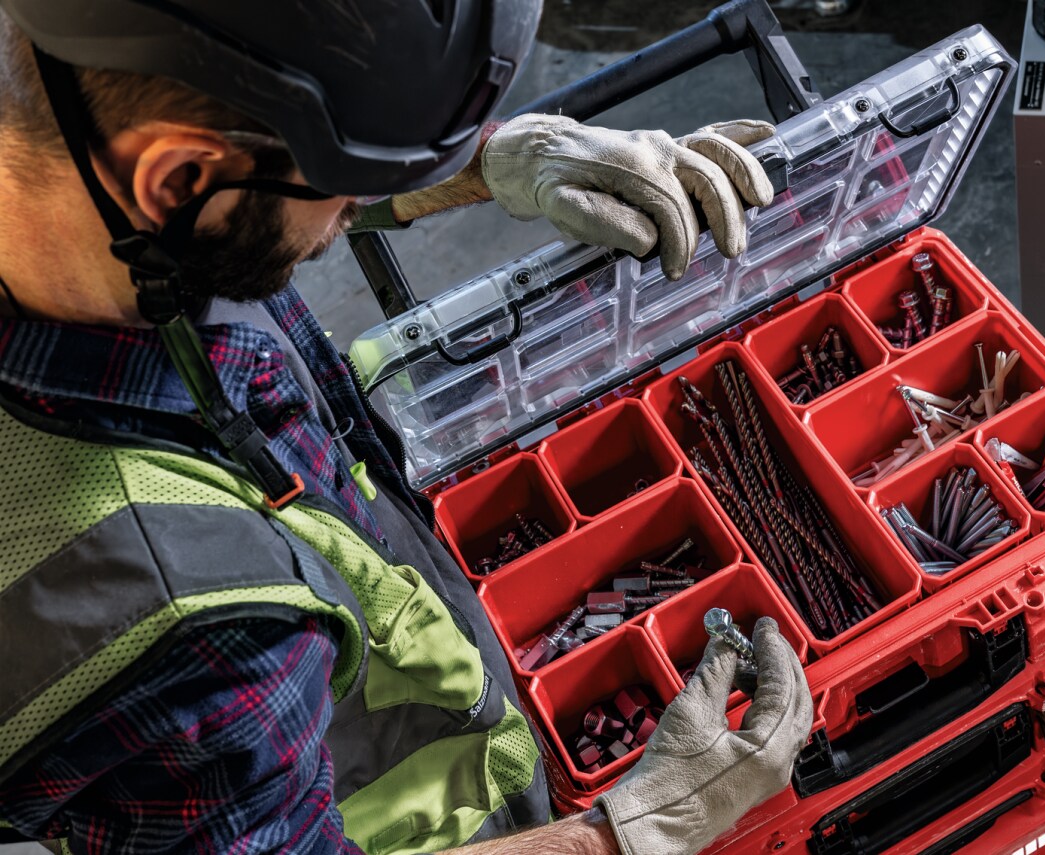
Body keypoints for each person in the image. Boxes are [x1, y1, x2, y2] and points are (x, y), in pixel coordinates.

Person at [0, 2, 813, 854]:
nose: (359, 210)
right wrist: (629, 833)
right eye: (346, 181)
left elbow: (255, 187)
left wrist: (492, 156)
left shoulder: (73, 167)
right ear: (177, 183)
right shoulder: (175, 625)